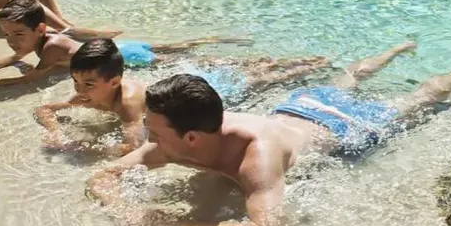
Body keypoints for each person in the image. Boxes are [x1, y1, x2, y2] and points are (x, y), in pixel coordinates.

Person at [86, 42, 451, 226]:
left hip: (342, 127)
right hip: (295, 107)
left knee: (420, 99)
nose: (148, 139)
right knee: (349, 77)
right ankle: (395, 50)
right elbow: (101, 178)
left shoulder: (255, 159)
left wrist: (177, 222)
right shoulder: (176, 140)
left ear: (191, 137)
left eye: (154, 131)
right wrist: (125, 212)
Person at [35, 37, 333, 155]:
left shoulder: (127, 106)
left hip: (205, 94)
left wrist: (79, 147)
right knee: (256, 73)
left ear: (114, 82)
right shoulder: (89, 95)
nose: (79, 90)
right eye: (76, 82)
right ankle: (295, 63)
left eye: (88, 84)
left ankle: (314, 64)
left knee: (260, 80)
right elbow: (44, 109)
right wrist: (54, 131)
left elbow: (131, 147)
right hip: (181, 84)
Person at [0, 0, 255, 90]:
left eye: (18, 35)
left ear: (40, 29)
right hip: (123, 48)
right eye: (7, 35)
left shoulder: (50, 48)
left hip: (127, 58)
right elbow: (15, 59)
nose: (12, 42)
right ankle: (226, 39)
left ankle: (242, 62)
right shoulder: (47, 39)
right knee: (180, 47)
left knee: (186, 61)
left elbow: (30, 78)